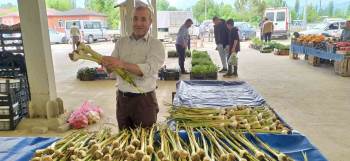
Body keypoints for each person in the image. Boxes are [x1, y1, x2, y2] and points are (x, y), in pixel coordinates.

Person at [101, 6, 166, 130]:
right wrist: (107, 66)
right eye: (135, 19)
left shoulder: (156, 45)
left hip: (144, 101)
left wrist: (122, 64)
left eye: (143, 19)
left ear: (150, 22)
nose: (138, 23)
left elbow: (148, 69)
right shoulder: (121, 42)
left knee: (146, 141)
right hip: (122, 99)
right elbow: (111, 69)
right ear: (131, 21)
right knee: (124, 140)